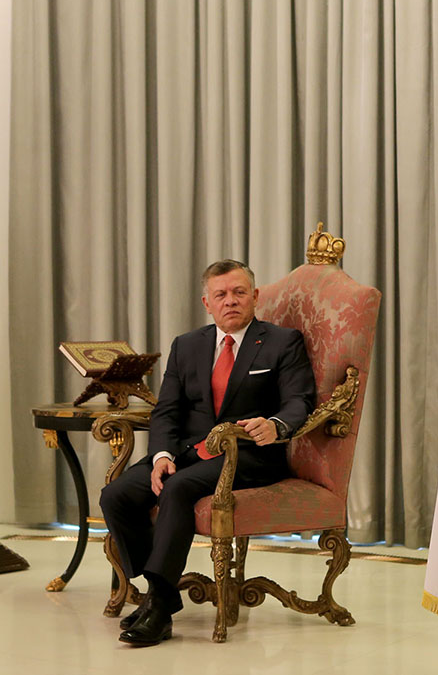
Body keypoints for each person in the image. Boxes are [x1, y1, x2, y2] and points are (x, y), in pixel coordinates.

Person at [100, 259, 317, 647]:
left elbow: (299, 401)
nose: (230, 301)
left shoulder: (283, 341)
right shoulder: (187, 345)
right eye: (221, 295)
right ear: (207, 302)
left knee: (178, 489)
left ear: (255, 295)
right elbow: (167, 410)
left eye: (238, 292)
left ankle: (158, 611)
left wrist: (276, 425)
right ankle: (160, 593)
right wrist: (162, 454)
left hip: (247, 455)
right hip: (187, 452)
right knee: (116, 494)